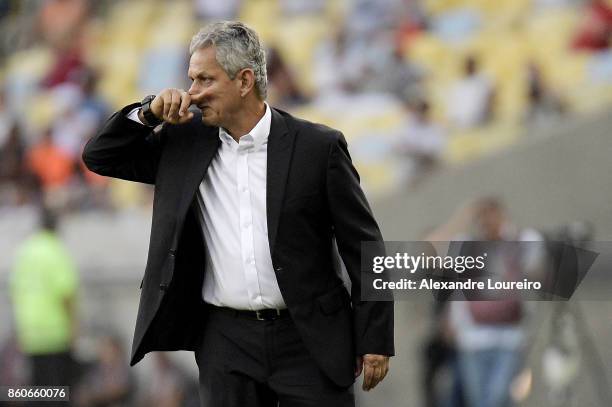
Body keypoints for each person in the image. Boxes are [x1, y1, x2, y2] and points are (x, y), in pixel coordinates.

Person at [82, 21, 394, 407]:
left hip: (309, 337)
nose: (192, 94)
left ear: (244, 81)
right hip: (225, 340)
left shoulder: (318, 147)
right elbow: (100, 156)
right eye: (190, 79)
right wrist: (146, 114)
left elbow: (366, 247)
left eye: (204, 81)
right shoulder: (182, 142)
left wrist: (375, 337)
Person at [9, 207, 78, 389]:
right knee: (58, 390)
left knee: (37, 390)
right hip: (55, 332)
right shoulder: (55, 250)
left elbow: (15, 290)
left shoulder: (25, 251)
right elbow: (66, 293)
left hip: (30, 333)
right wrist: (74, 328)